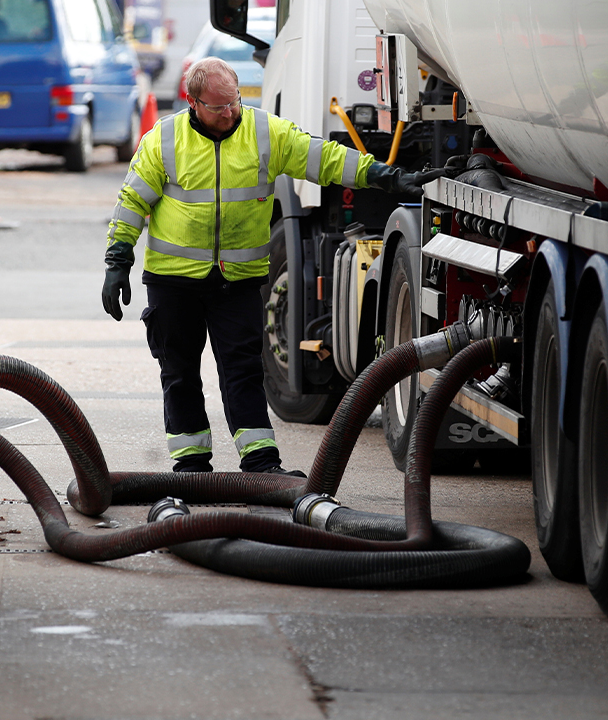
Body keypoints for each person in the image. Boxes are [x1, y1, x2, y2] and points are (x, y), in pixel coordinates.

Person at [101, 56, 444, 475]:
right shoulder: (164, 141)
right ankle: (191, 465)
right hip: (174, 281)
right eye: (219, 106)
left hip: (237, 282)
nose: (230, 112)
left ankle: (261, 463)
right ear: (193, 102)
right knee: (179, 371)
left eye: (235, 101)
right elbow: (132, 201)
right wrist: (118, 261)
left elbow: (324, 158)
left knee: (244, 371)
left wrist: (386, 177)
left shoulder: (263, 131)